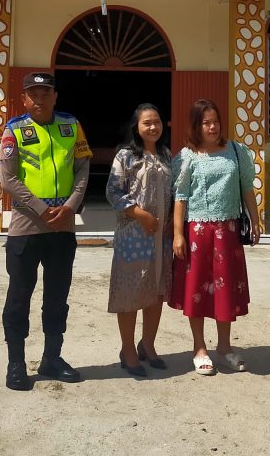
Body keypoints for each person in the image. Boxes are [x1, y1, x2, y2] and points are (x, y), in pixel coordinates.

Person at [0, 71, 92, 391]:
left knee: (56, 297)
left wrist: (70, 205)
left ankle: (52, 358)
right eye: (32, 94)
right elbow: (8, 178)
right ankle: (16, 364)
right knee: (19, 297)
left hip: (63, 227)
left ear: (55, 96)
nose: (39, 99)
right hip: (26, 226)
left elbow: (82, 169)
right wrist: (40, 208)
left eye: (45, 93)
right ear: (24, 98)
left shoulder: (71, 125)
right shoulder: (14, 130)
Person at [169, 99, 260, 376]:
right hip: (196, 232)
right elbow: (180, 198)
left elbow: (247, 189)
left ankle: (224, 346)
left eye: (215, 121)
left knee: (225, 288)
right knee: (196, 289)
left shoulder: (236, 151)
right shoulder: (187, 156)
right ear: (197, 125)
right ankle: (199, 348)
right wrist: (177, 235)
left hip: (228, 232)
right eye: (206, 122)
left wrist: (255, 221)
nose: (212, 127)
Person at [106, 103, 174, 377]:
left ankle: (148, 345)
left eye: (157, 121)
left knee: (155, 291)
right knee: (131, 291)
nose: (153, 127)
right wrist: (140, 214)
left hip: (163, 237)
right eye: (147, 122)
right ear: (136, 126)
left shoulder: (167, 155)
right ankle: (128, 350)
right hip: (133, 235)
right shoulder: (125, 156)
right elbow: (113, 191)